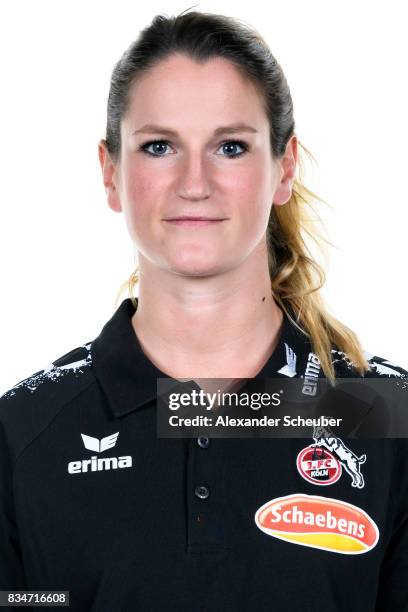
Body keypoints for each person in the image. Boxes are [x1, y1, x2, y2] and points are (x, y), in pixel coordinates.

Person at [1, 9, 407, 612]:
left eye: (231, 146)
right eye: (160, 146)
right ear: (111, 172)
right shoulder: (23, 434)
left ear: (284, 167)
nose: (195, 182)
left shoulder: (387, 417)